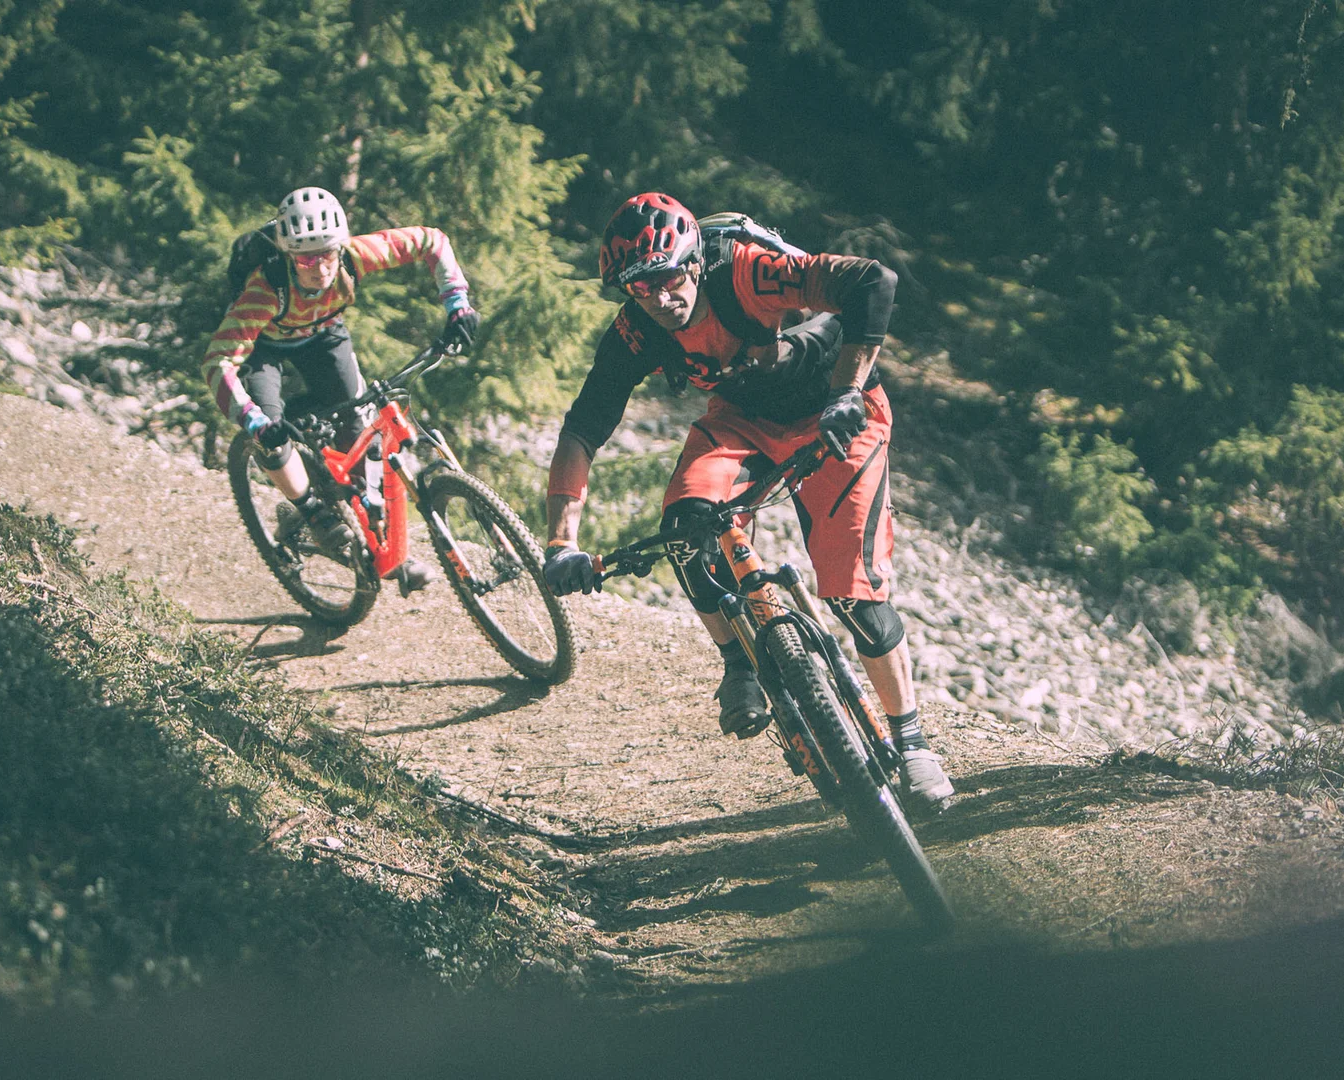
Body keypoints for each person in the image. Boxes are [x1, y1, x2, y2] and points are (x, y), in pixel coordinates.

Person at [540, 192, 952, 809]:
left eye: (668, 277)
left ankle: (913, 743)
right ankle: (738, 663)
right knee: (685, 524)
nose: (658, 297)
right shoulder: (635, 331)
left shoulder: (746, 269)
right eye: (639, 288)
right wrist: (561, 541)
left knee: (853, 595)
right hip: (744, 422)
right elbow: (582, 430)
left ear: (694, 262)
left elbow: (873, 282)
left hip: (841, 414)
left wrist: (848, 389)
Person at [203, 186, 479, 592]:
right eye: (306, 258)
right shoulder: (265, 290)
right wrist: (255, 421)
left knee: (360, 427)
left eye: (327, 254)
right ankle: (310, 512)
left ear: (340, 247)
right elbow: (217, 362)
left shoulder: (354, 256)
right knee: (271, 440)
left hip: (324, 335)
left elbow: (431, 240)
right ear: (287, 256)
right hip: (264, 346)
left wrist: (457, 301)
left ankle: (385, 550)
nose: (320, 268)